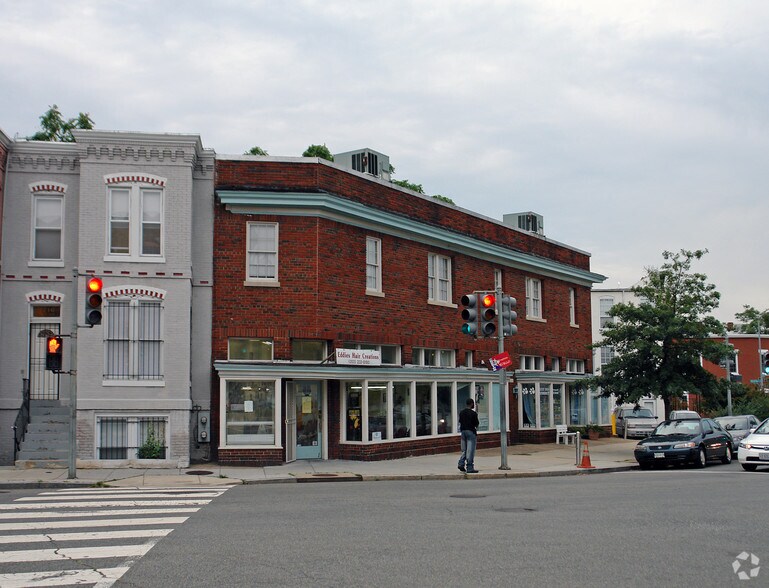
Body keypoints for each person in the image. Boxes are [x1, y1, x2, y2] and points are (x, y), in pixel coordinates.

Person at [457, 398, 480, 473]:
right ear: (471, 404)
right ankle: (469, 467)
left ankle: (461, 463)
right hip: (471, 432)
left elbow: (460, 421)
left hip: (463, 432)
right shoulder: (473, 413)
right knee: (470, 450)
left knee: (464, 450)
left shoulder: (461, 412)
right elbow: (476, 424)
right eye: (473, 404)